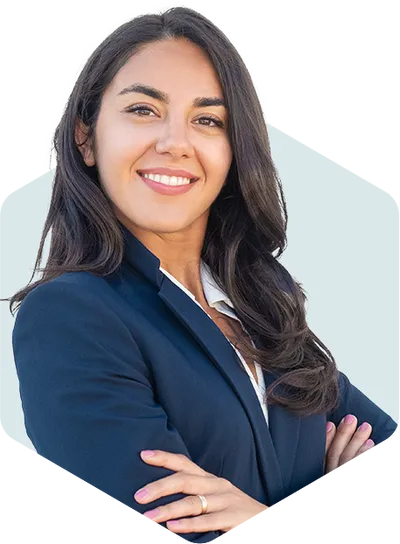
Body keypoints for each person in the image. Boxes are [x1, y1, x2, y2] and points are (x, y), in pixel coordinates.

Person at [3, 6, 398, 543]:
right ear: (86, 138)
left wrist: (256, 519)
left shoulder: (265, 310)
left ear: (234, 151)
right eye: (143, 110)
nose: (175, 142)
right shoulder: (70, 318)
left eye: (208, 120)